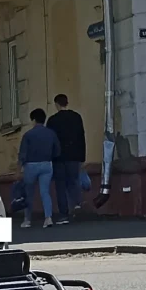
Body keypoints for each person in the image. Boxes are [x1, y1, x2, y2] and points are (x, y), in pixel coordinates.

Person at [46, 94, 86, 224]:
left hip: (58, 157)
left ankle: (64, 215)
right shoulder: (76, 117)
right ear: (67, 103)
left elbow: (50, 141)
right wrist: (82, 157)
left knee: (60, 185)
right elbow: (81, 137)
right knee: (74, 181)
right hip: (74, 156)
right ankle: (77, 205)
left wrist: (49, 157)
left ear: (56, 104)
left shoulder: (52, 120)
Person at [19, 108, 61, 228]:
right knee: (45, 192)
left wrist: (18, 169)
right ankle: (48, 218)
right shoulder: (51, 133)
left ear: (33, 120)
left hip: (31, 165)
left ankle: (27, 220)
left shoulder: (28, 135)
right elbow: (57, 151)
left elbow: (23, 154)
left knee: (29, 193)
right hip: (47, 164)